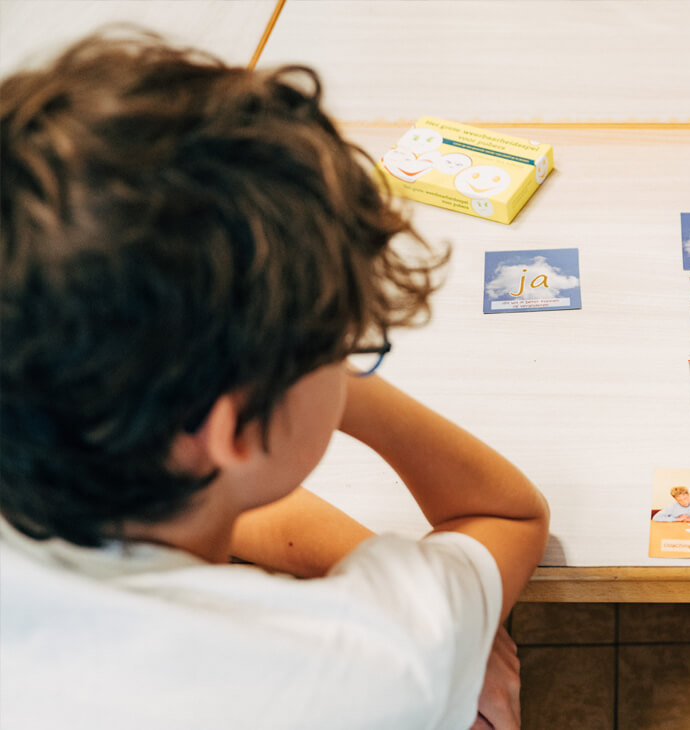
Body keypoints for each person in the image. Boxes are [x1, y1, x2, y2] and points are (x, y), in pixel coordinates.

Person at [0, 34, 549, 730]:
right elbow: (506, 516)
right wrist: (440, 626)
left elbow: (199, 492)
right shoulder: (376, 664)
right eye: (343, 341)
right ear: (233, 426)